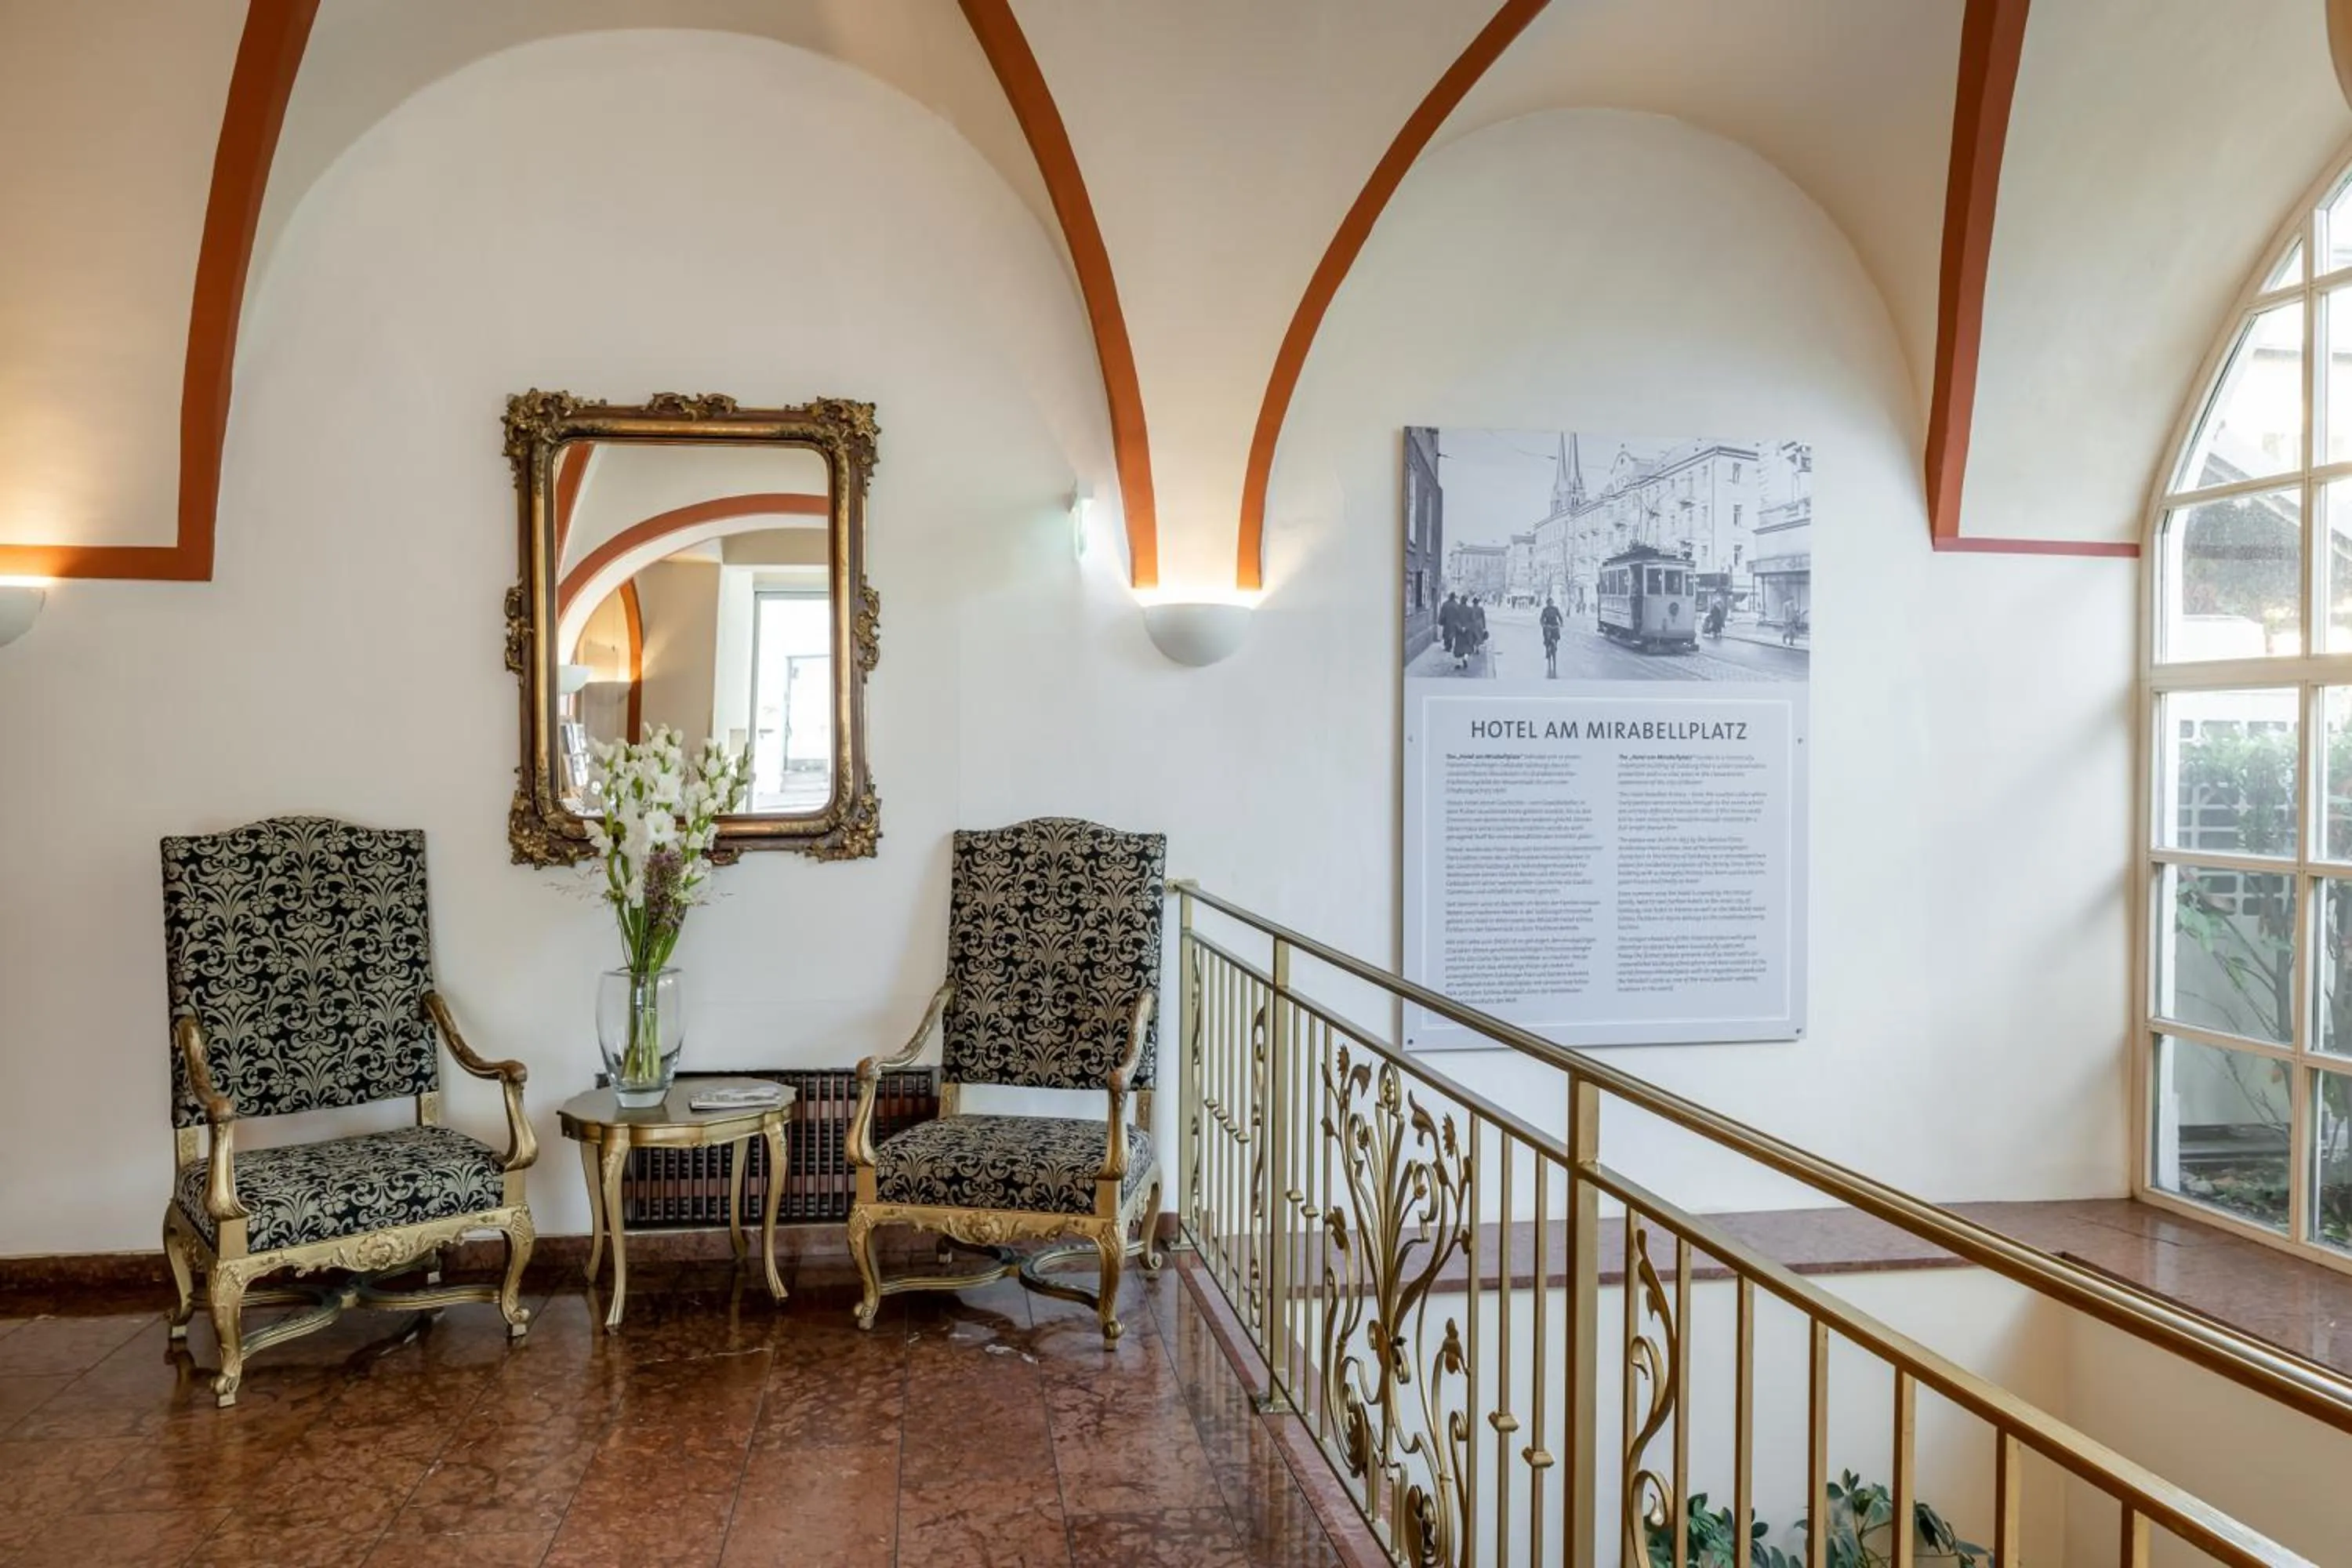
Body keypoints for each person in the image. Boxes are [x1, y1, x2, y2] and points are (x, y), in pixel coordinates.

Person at [1540, 594, 1563, 678]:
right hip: (1549, 626)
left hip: (1554, 626)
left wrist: (1561, 623)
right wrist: (1543, 624)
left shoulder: (1554, 609)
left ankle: (1554, 644)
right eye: (1549, 603)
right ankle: (1548, 648)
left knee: (1555, 635)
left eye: (1551, 603)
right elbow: (1542, 619)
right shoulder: (1545, 610)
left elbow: (1560, 617)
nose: (1550, 604)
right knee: (1547, 636)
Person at [1437, 591, 1462, 665]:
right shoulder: (1456, 605)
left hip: (1447, 622)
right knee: (1451, 635)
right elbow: (1459, 615)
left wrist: (1440, 620)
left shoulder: (1445, 604)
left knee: (1446, 634)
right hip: (1454, 623)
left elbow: (1442, 613)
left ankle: (1447, 646)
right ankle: (1449, 646)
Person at [1468, 594, 1489, 672]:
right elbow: (1483, 617)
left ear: (1473, 603)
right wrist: (1484, 626)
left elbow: (1469, 617)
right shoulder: (1481, 609)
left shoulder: (1471, 609)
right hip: (1479, 624)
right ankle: (1476, 648)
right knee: (1478, 637)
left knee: (1473, 636)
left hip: (1473, 624)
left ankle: (1473, 648)